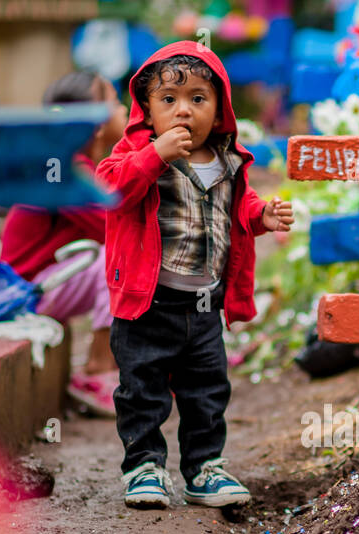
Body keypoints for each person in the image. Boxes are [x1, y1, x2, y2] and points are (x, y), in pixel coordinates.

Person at [96, 42, 294, 510]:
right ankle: (144, 467)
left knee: (207, 391)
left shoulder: (227, 160)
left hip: (203, 306)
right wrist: (154, 156)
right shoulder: (135, 154)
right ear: (146, 107)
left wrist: (261, 216)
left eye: (198, 99)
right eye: (169, 100)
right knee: (141, 390)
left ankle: (205, 468)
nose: (184, 110)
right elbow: (110, 190)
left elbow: (235, 209)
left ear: (219, 107)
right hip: (149, 306)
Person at [0, 71, 127, 416]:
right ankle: (98, 370)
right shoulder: (65, 173)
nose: (124, 109)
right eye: (114, 102)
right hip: (25, 292)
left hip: (42, 286)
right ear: (93, 123)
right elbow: (114, 228)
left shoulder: (73, 166)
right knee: (121, 257)